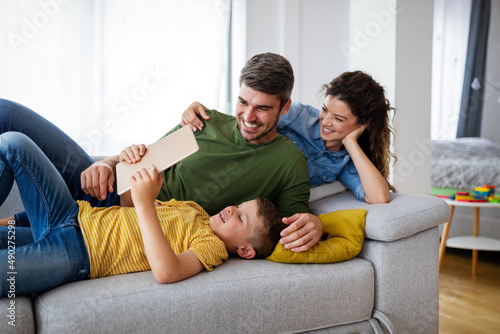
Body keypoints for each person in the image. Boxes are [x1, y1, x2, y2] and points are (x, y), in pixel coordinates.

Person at [0, 52, 323, 253]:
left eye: (263, 108)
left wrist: (317, 226)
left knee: (9, 238)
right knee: (6, 114)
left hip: (118, 219)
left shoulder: (289, 161)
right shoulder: (206, 120)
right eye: (243, 102)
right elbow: (143, 154)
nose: (248, 117)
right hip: (103, 182)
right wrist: (109, 162)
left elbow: (288, 224)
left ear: (285, 108)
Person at [0, 132, 285, 297]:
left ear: (245, 251)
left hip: (77, 251)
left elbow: (167, 272)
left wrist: (146, 203)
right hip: (71, 214)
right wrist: (126, 163)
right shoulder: (194, 210)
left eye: (241, 218)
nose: (232, 209)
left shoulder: (212, 248)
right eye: (240, 206)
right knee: (14, 144)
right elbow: (128, 202)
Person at [181, 71, 396, 204]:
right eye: (324, 109)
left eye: (338, 118)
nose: (325, 121)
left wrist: (350, 143)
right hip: (235, 172)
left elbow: (379, 197)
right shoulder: (299, 116)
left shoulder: (345, 163)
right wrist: (196, 110)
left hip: (257, 198)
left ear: (363, 123)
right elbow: (246, 125)